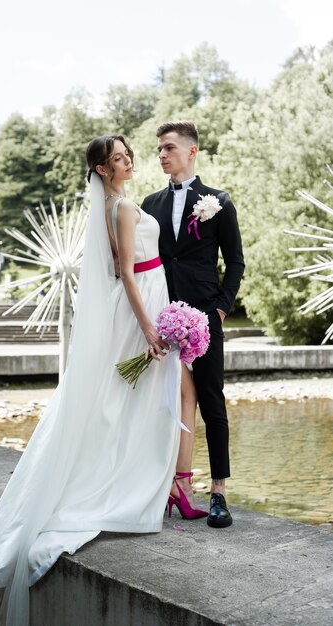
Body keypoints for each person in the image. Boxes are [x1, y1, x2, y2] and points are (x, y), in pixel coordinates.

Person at [0, 135, 191, 626]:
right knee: (133, 400)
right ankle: (128, 485)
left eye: (129, 155)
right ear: (101, 169)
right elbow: (128, 273)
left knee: (122, 400)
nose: (127, 161)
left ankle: (138, 478)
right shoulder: (124, 208)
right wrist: (151, 326)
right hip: (140, 305)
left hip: (141, 302)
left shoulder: (110, 205)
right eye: (118, 158)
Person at [141, 121, 245, 528]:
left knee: (210, 400)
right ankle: (165, 485)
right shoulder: (150, 204)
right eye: (159, 149)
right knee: (160, 400)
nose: (162, 154)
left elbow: (235, 261)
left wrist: (220, 309)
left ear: (191, 151)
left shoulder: (218, 202)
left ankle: (218, 492)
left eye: (168, 147)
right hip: (161, 319)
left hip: (205, 319)